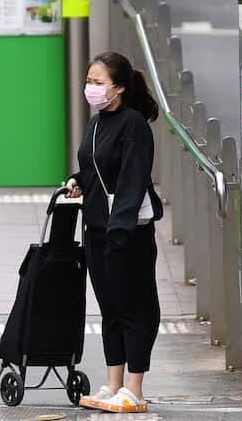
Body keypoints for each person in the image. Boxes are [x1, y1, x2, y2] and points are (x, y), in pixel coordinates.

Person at [64, 52, 165, 414]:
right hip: (97, 229)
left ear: (119, 88)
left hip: (128, 233)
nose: (90, 88)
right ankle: (113, 383)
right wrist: (76, 180)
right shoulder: (96, 124)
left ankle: (134, 390)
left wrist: (119, 233)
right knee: (110, 308)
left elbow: (131, 181)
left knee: (135, 308)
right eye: (88, 81)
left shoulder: (134, 125)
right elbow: (92, 168)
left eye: (98, 82)